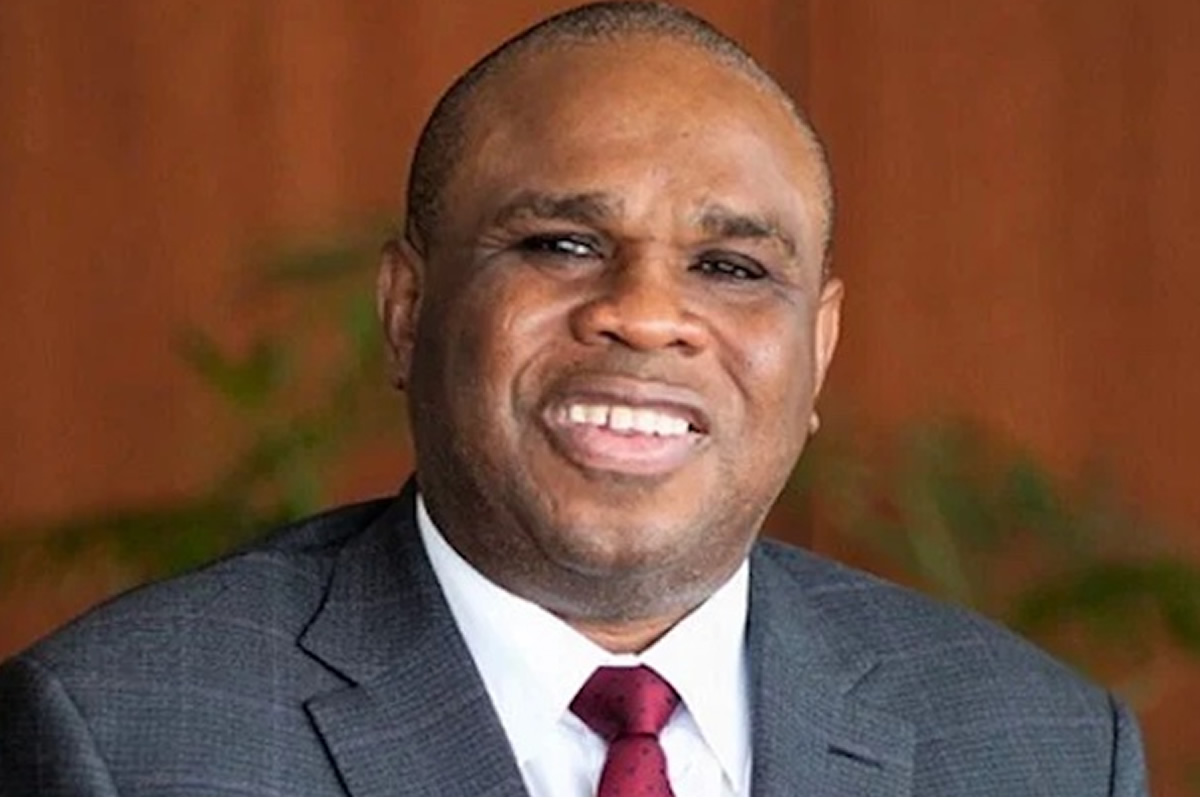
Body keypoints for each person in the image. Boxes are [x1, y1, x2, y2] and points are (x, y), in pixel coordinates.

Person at [0, 2, 1147, 796]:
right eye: (562, 243)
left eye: (731, 267)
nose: (645, 314)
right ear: (407, 310)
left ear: (819, 350)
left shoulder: (1048, 751)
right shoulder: (119, 736)